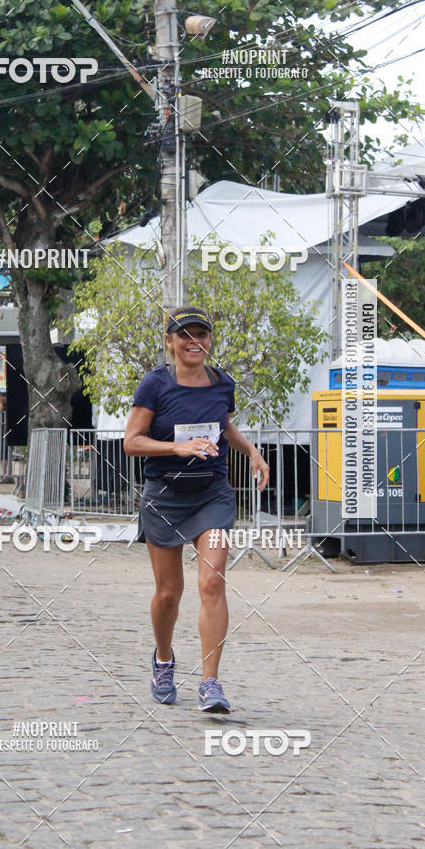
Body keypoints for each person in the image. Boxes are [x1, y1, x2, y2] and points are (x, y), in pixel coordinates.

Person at [124, 306, 270, 714]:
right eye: (184, 335)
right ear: (169, 342)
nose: (194, 342)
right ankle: (164, 661)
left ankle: (210, 683)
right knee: (169, 593)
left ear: (210, 340)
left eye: (201, 334)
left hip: (212, 495)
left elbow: (222, 425)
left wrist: (253, 452)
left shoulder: (222, 383)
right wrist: (177, 447)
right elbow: (131, 442)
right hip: (165, 497)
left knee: (212, 583)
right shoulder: (155, 385)